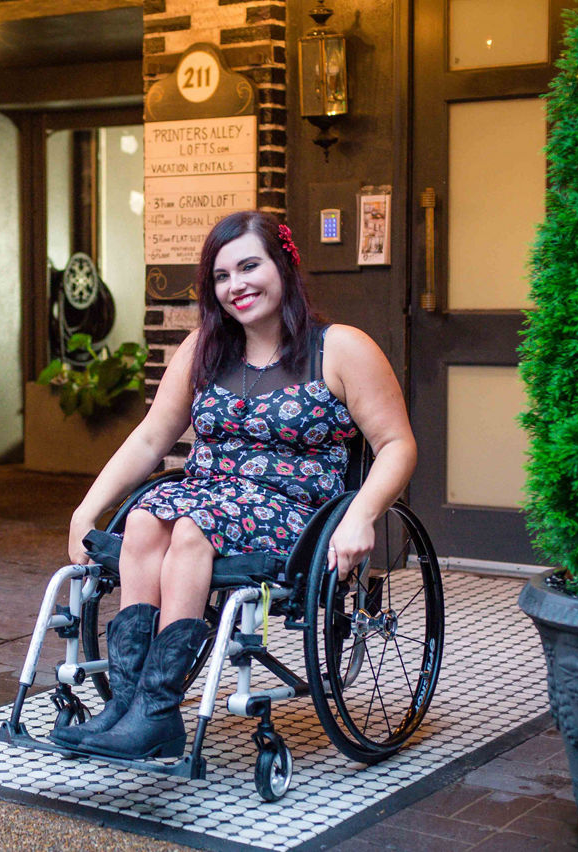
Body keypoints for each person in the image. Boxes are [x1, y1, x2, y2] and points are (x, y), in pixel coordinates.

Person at [52, 210, 417, 761]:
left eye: (249, 266)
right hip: (208, 495)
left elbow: (397, 446)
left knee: (194, 528)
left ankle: (155, 709)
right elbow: (153, 438)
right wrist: (88, 509)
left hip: (294, 514)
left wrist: (361, 514)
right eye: (222, 277)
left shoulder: (340, 348)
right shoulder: (204, 349)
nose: (236, 286)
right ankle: (127, 705)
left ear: (284, 265)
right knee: (147, 516)